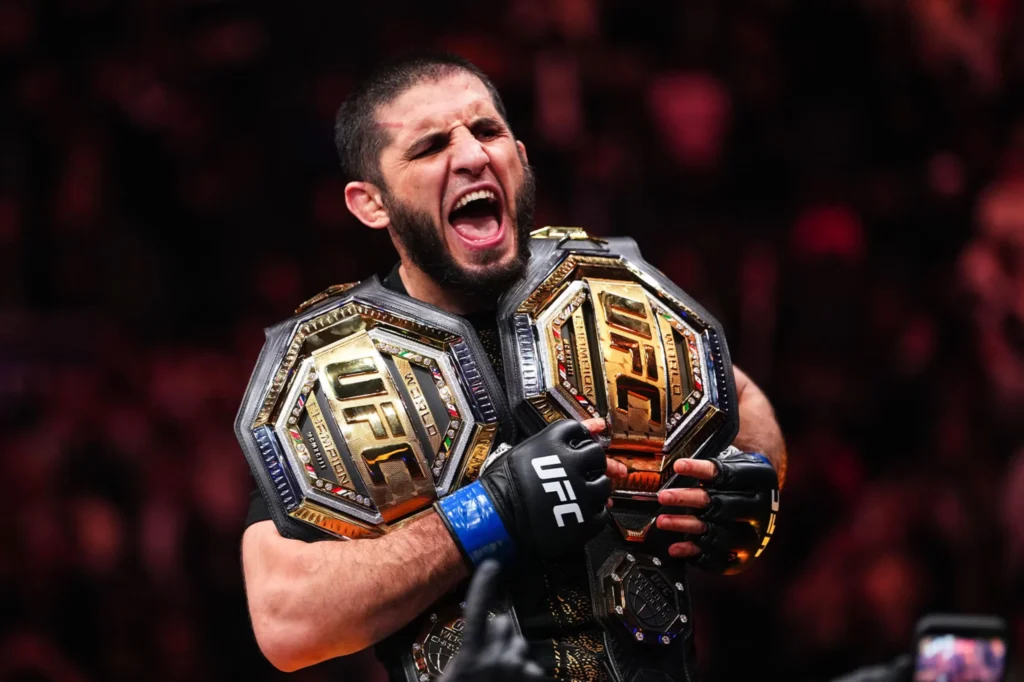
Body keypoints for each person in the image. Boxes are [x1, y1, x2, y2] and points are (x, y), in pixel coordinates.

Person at [240, 53, 787, 680]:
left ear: (520, 158)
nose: (472, 155)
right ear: (372, 203)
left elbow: (742, 399)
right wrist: (488, 512)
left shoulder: (611, 293)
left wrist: (749, 485)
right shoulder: (329, 373)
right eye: (430, 146)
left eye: (487, 131)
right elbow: (286, 623)